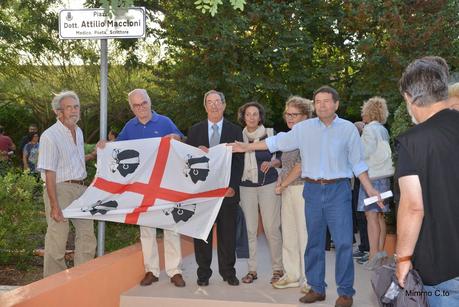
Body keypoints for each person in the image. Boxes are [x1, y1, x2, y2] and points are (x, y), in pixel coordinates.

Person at [230, 85, 381, 307]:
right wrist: (245, 147)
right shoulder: (304, 129)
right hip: (311, 189)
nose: (321, 105)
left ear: (336, 104)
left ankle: (346, 292)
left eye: (326, 101)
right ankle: (316, 288)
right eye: (317, 101)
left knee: (342, 243)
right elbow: (275, 142)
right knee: (314, 243)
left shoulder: (348, 129)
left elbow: (358, 163)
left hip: (338, 190)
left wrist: (370, 188)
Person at [103, 89, 186, 287]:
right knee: (146, 229)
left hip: (166, 183)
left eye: (144, 103)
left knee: (171, 227)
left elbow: (182, 140)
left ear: (150, 102)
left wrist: (176, 137)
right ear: (131, 108)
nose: (141, 108)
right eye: (136, 105)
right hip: (142, 186)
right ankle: (152, 271)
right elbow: (117, 148)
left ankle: (175, 271)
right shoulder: (129, 127)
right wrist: (105, 145)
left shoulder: (164, 121)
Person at [395, 56, 459, 306]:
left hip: (443, 269)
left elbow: (413, 206)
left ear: (410, 97)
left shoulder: (414, 142)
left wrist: (402, 259)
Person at [186, 89, 244, 287]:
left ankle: (229, 272)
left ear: (224, 105)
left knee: (227, 235)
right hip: (203, 194)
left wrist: (233, 187)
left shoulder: (236, 131)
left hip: (227, 193)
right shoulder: (194, 131)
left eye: (217, 101)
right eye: (209, 102)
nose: (214, 105)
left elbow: (239, 162)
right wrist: (196, 153)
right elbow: (187, 162)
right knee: (202, 235)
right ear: (205, 106)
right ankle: (203, 274)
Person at [37, 91, 97, 277]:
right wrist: (54, 205)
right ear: (58, 112)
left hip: (81, 189)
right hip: (60, 189)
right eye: (68, 107)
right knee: (58, 237)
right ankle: (54, 284)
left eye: (76, 106)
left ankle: (83, 278)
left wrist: (93, 155)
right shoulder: (50, 136)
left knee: (87, 236)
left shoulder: (78, 131)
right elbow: (49, 172)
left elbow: (74, 160)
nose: (73, 111)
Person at [237, 101, 283, 284]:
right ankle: (252, 270)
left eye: (255, 114)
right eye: (248, 114)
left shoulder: (271, 135)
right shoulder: (237, 136)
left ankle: (278, 269)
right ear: (243, 117)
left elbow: (281, 157)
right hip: (245, 187)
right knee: (250, 230)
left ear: (260, 116)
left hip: (268, 185)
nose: (252, 117)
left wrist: (272, 163)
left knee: (272, 228)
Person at [272, 96, 313, 291]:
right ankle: (292, 275)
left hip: (303, 190)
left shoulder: (307, 135)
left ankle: (309, 279)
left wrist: (283, 185)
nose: (289, 118)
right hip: (288, 189)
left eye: (294, 114)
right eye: (287, 114)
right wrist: (281, 180)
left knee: (304, 235)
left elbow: (300, 166)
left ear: (305, 116)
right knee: (288, 234)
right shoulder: (289, 136)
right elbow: (286, 165)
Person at [356, 97, 394, 270]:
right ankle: (379, 253)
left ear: (368, 112)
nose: (362, 113)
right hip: (384, 177)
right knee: (379, 216)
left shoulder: (370, 130)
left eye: (364, 110)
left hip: (371, 178)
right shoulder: (383, 129)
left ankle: (372, 256)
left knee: (371, 216)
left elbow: (363, 153)